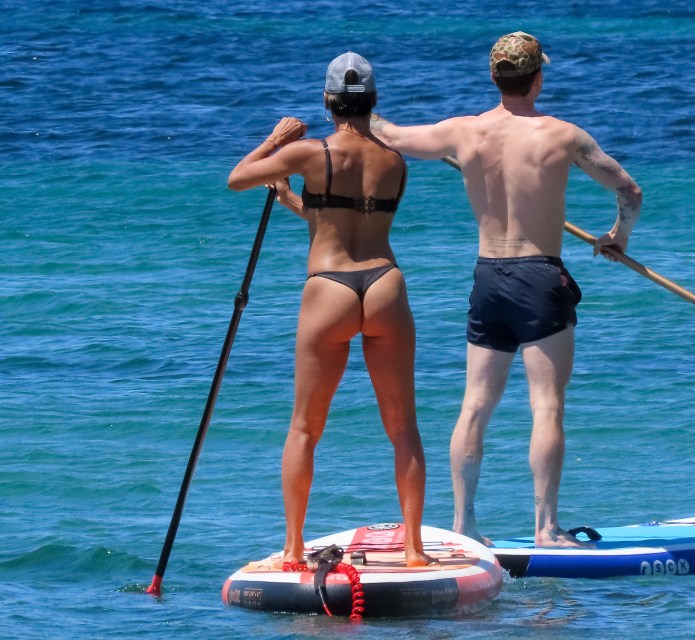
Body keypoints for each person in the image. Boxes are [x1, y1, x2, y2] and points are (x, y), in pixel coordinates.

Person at [371, 32, 642, 547]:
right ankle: (545, 528)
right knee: (546, 406)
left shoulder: (465, 132)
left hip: (488, 277)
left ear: (493, 78)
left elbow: (393, 136)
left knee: (475, 404)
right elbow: (630, 191)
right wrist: (616, 238)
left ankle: (463, 526)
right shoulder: (564, 136)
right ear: (538, 77)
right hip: (541, 277)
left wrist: (355, 108)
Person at [227, 52, 432, 567]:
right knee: (403, 426)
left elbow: (237, 177)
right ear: (374, 100)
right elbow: (350, 221)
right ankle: (413, 549)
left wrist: (277, 141)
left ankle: (294, 548)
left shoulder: (309, 151)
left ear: (327, 102)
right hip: (385, 282)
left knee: (304, 427)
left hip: (329, 290)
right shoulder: (394, 160)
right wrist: (292, 201)